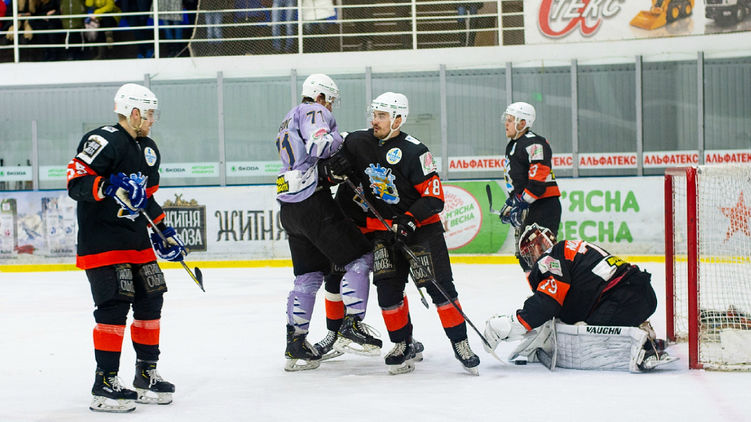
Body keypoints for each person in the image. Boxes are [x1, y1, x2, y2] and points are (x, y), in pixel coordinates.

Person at [332, 92, 480, 375]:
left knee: (440, 289)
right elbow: (336, 153)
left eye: (382, 116)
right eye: (374, 114)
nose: (375, 121)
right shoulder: (358, 141)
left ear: (398, 119)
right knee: (388, 293)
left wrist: (410, 219)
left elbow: (435, 198)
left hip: (421, 231)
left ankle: (460, 343)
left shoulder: (415, 151)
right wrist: (335, 166)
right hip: (383, 233)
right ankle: (403, 344)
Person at [66, 83, 183, 412]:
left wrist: (163, 230)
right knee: (114, 306)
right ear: (134, 112)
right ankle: (104, 383)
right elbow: (76, 182)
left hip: (136, 241)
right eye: (149, 114)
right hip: (103, 241)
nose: (152, 120)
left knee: (151, 299)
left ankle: (146, 374)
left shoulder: (148, 148)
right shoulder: (102, 140)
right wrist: (107, 186)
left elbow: (146, 199)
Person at [276, 73, 381, 372]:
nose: (331, 107)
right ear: (320, 96)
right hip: (312, 201)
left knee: (307, 276)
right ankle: (352, 324)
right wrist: (343, 138)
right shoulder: (314, 110)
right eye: (330, 101)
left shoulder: (287, 118)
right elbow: (320, 145)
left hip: (289, 208)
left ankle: (296, 343)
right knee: (360, 257)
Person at [482, 224, 676, 372]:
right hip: (640, 293)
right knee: (578, 320)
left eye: (529, 253)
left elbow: (547, 302)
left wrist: (511, 323)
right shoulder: (570, 250)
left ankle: (644, 347)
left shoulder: (550, 258)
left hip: (624, 298)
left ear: (535, 250)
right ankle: (640, 328)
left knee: (585, 333)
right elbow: (576, 299)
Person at [498, 101, 561, 273]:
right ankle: (539, 289)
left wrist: (521, 202)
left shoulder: (535, 144)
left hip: (544, 205)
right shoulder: (513, 144)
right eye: (506, 119)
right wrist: (513, 201)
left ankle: (551, 289)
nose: (506, 123)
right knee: (525, 258)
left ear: (522, 123)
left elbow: (538, 182)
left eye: (510, 120)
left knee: (540, 258)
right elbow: (519, 181)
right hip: (530, 205)